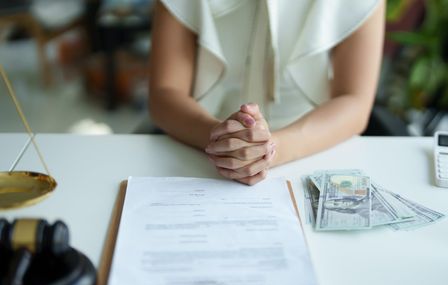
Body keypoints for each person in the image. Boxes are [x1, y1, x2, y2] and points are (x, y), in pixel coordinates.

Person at [149, 0, 385, 185]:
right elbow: (165, 91)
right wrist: (222, 141)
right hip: (200, 143)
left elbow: (354, 101)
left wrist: (270, 150)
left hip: (314, 143)